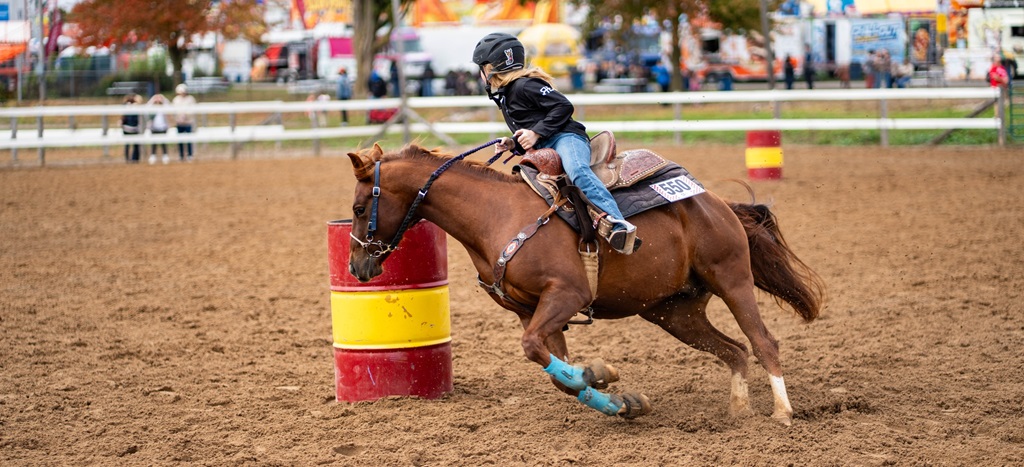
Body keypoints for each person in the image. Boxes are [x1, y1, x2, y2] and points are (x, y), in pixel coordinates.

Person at [472, 32, 637, 254]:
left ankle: (619, 224)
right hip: (545, 145)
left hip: (566, 138)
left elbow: (564, 106)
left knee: (577, 170)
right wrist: (513, 144)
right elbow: (531, 124)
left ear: (492, 68)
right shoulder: (507, 95)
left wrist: (536, 134)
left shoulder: (524, 86)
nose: (480, 74)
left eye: (481, 67)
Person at [172, 84, 196, 161]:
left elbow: (192, 109)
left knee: (189, 139)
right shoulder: (176, 100)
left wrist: (186, 115)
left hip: (188, 122)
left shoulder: (190, 99)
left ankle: (190, 155)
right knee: (180, 140)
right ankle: (181, 155)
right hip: (179, 122)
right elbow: (174, 111)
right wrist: (178, 117)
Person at [147, 94, 171, 164]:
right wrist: (153, 99)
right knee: (154, 143)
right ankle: (153, 156)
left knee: (164, 143)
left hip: (163, 127)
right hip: (154, 127)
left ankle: (165, 156)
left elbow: (168, 106)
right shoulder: (152, 109)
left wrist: (162, 99)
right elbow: (147, 107)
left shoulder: (164, 108)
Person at [121, 94, 142, 163]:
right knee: (135, 144)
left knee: (127, 144)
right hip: (133, 127)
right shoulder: (135, 106)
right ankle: (135, 159)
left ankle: (127, 159)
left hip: (127, 127)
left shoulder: (125, 105)